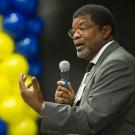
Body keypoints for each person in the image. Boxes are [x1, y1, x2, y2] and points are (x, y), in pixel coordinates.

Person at [19, 4, 135, 135]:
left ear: (105, 31)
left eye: (82, 29)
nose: (75, 36)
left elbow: (90, 121)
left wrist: (41, 106)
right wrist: (73, 104)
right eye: (73, 31)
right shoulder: (98, 64)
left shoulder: (117, 63)